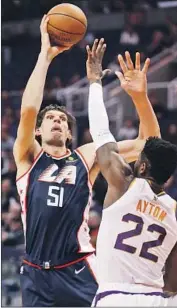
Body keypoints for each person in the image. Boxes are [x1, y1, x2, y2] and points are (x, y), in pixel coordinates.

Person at [13, 16, 160, 307]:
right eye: (49, 119)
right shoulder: (28, 158)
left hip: (79, 270)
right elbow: (29, 109)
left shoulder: (86, 156)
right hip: (34, 275)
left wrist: (140, 98)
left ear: (69, 133)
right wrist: (45, 55)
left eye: (62, 120)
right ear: (38, 132)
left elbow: (150, 146)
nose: (56, 121)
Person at [87, 39, 177, 307]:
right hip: (158, 299)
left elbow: (101, 134)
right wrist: (140, 97)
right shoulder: (174, 210)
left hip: (114, 297)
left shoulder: (124, 183)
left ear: (143, 166)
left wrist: (94, 82)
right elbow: (172, 280)